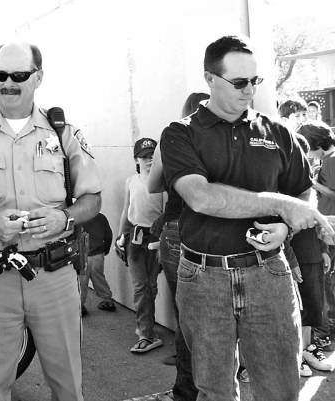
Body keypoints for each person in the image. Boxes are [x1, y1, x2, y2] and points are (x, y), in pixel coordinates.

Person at [161, 35, 334, 400]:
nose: (248, 90)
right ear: (210, 78)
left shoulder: (277, 132)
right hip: (203, 277)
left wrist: (286, 224)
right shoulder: (181, 133)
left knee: (280, 387)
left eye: (255, 81)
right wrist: (280, 203)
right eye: (238, 82)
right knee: (214, 391)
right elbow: (201, 196)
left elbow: (303, 191)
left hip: (269, 273)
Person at [0, 41, 102, 401]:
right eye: (0, 75)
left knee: (68, 385)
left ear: (38, 77)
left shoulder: (63, 133)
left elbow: (93, 198)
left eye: (19, 75)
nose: (8, 83)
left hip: (54, 278)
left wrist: (64, 217)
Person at [148, 92, 209, 401]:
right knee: (214, 314)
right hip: (214, 229)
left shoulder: (175, 135)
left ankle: (187, 391)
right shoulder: (222, 138)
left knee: (186, 317)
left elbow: (152, 184)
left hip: (177, 229)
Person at [116, 138, 165, 354]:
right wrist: (120, 236)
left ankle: (147, 327)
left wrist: (163, 243)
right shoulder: (130, 182)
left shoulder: (163, 184)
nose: (149, 159)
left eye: (152, 155)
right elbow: (126, 211)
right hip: (134, 238)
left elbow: (166, 215)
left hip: (155, 237)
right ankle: (146, 333)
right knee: (140, 287)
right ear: (136, 159)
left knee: (151, 286)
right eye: (144, 156)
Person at [298, 121, 335, 364]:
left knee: (324, 287)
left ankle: (321, 334)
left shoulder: (330, 160)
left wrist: (309, 182)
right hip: (324, 231)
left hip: (326, 230)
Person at [79, 213, 116, 315]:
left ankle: (80, 306)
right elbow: (109, 235)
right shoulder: (101, 217)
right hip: (98, 255)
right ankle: (108, 301)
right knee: (99, 278)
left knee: (82, 282)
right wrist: (106, 249)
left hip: (82, 256)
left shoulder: (79, 218)